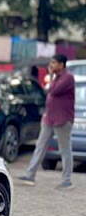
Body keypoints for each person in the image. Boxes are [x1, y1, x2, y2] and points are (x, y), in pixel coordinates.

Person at [19, 54, 75, 189]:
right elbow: (47, 92)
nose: (51, 65)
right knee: (40, 146)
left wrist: (50, 76)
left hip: (62, 120)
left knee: (65, 150)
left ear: (62, 65)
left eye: (54, 63)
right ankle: (30, 175)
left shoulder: (67, 78)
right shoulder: (57, 78)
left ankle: (67, 180)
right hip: (49, 118)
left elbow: (53, 91)